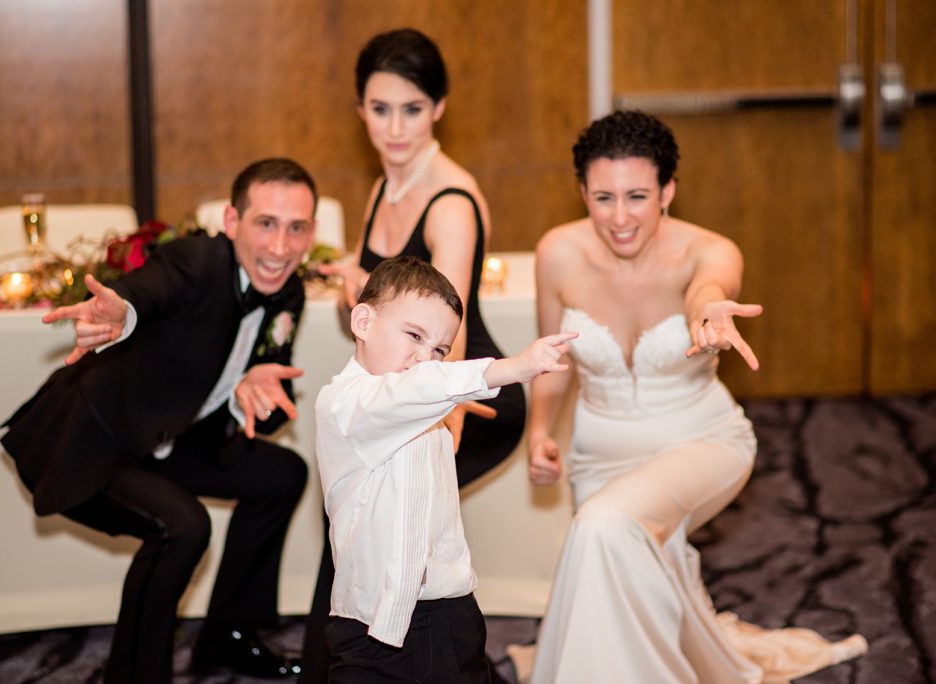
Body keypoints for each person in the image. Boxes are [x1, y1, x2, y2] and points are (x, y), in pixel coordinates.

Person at [525, 110, 868, 682]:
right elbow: (554, 362)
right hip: (598, 454)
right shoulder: (557, 253)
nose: (620, 217)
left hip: (700, 442)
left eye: (638, 196)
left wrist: (706, 308)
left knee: (603, 528)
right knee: (621, 554)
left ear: (668, 191)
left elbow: (710, 289)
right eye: (602, 197)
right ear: (581, 192)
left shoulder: (708, 250)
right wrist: (539, 432)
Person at [0, 158, 319, 683]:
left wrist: (247, 393)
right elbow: (149, 289)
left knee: (283, 474)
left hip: (170, 440)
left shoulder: (290, 292)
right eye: (266, 223)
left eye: (296, 228)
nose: (280, 248)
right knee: (183, 527)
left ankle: (227, 639)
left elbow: (269, 387)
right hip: (92, 444)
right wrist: (122, 314)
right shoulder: (197, 259)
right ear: (232, 222)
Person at [302, 28, 527, 681]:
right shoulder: (382, 189)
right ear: (360, 110)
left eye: (412, 109)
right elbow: (378, 278)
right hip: (412, 391)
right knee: (356, 531)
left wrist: (439, 428)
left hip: (461, 398)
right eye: (379, 109)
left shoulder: (450, 201)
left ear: (439, 109)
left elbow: (439, 342)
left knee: (375, 538)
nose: (394, 129)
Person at [315, 256, 575, 683]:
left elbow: (420, 394)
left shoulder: (426, 408)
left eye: (439, 350)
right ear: (362, 322)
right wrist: (513, 368)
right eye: (413, 335)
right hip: (369, 616)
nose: (426, 360)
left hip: (447, 605)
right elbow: (409, 392)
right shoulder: (342, 404)